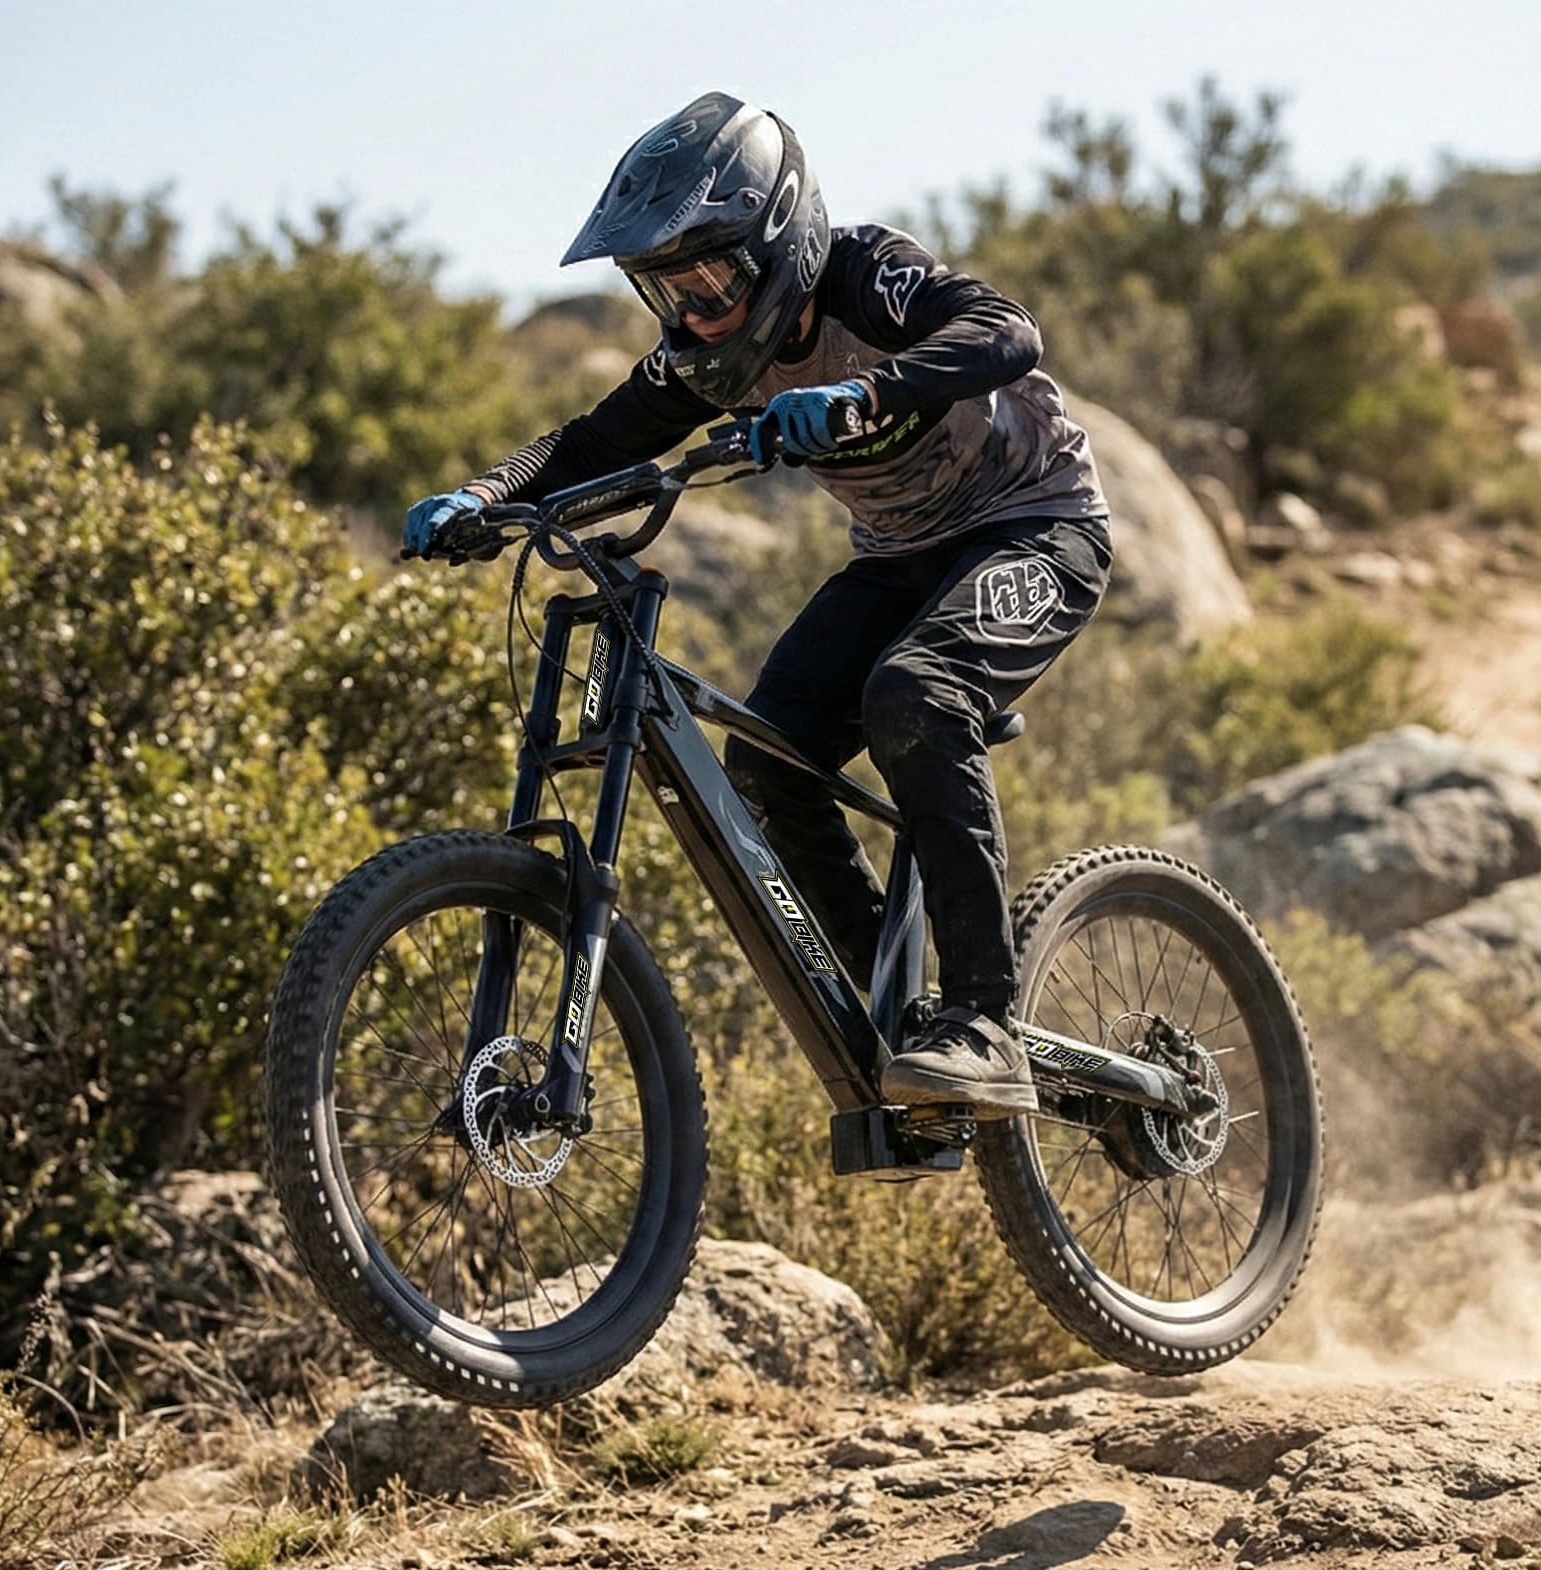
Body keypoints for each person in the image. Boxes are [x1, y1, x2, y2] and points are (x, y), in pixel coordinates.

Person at [402, 92, 1110, 1118]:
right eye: (666, 288)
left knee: (912, 696)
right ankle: (901, 1021)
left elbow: (1007, 333)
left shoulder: (867, 277)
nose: (694, 307)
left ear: (779, 236)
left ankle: (982, 1020)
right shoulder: (707, 357)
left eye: (711, 274)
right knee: (769, 760)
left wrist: (869, 391)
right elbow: (592, 439)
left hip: (1035, 524)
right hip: (899, 556)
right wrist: (483, 495)